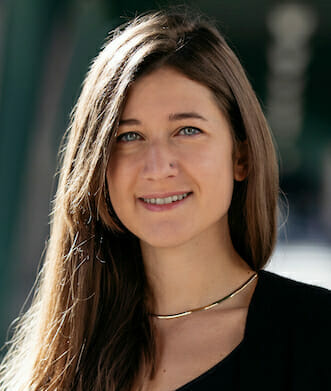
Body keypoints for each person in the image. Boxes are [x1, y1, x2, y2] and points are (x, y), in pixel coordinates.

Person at [1, 7, 330, 391]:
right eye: (128, 136)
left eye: (187, 130)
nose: (157, 166)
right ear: (98, 168)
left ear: (241, 156)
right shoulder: (63, 357)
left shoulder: (315, 335)